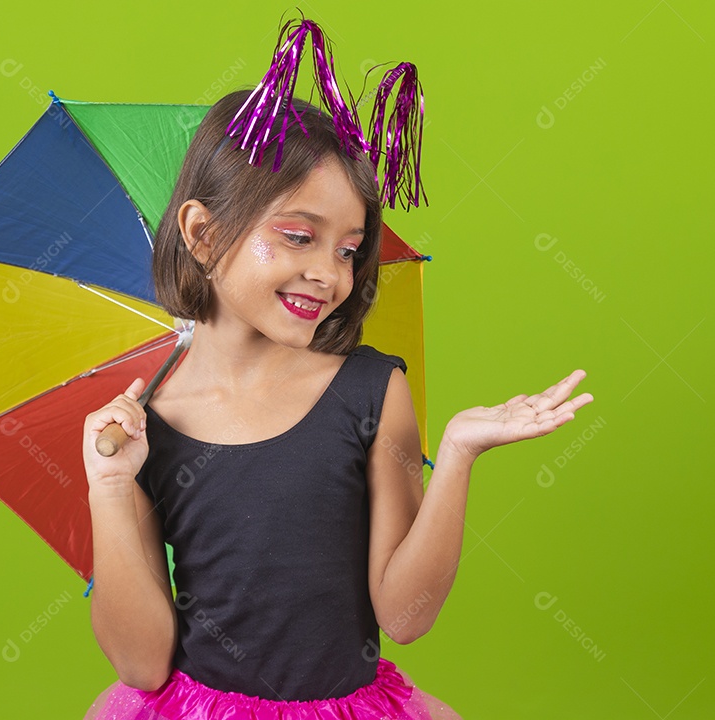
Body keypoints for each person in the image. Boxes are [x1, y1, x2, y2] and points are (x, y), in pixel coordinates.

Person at [80, 17, 593, 720]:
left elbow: (405, 616)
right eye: (298, 236)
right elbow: (139, 661)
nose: (329, 274)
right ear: (202, 234)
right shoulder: (148, 424)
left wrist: (459, 455)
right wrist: (110, 489)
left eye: (350, 250)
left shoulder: (370, 392)